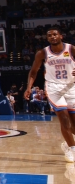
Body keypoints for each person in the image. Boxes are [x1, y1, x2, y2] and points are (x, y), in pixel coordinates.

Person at [24, 27, 75, 161]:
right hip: (54, 88)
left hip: (71, 87)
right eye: (49, 35)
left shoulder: (71, 49)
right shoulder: (42, 53)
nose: (52, 37)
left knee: (73, 125)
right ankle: (72, 149)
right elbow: (34, 71)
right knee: (64, 120)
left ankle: (67, 143)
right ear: (47, 39)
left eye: (55, 34)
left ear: (61, 36)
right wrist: (29, 87)